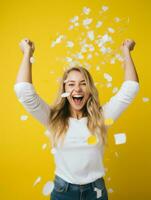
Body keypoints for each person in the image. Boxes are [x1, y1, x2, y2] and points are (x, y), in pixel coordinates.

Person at [14, 38, 140, 200]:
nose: (77, 89)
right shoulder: (53, 118)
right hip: (63, 191)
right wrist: (27, 53)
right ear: (64, 89)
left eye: (83, 83)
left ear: (90, 90)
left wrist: (126, 52)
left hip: (97, 192)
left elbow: (131, 89)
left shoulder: (101, 118)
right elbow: (23, 91)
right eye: (71, 84)